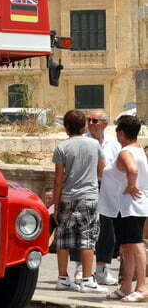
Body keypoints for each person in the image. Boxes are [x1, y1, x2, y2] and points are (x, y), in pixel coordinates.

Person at [53, 109, 107, 293]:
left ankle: (62, 278)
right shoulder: (94, 144)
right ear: (84, 125)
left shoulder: (62, 147)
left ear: (66, 126)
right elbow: (101, 171)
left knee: (63, 239)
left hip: (67, 197)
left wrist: (56, 204)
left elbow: (58, 179)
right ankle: (87, 280)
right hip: (89, 197)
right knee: (88, 239)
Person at [99, 115, 148, 301]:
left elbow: (132, 170)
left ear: (120, 132)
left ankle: (142, 287)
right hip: (127, 207)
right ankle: (126, 286)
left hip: (128, 206)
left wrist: (131, 185)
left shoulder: (125, 152)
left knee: (136, 245)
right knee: (127, 246)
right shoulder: (138, 149)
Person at [70, 110, 121, 286]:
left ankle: (102, 269)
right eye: (88, 120)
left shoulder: (113, 143)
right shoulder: (81, 141)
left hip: (106, 188)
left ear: (105, 123)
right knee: (81, 228)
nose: (90, 123)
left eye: (94, 120)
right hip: (85, 187)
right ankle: (80, 268)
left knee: (107, 228)